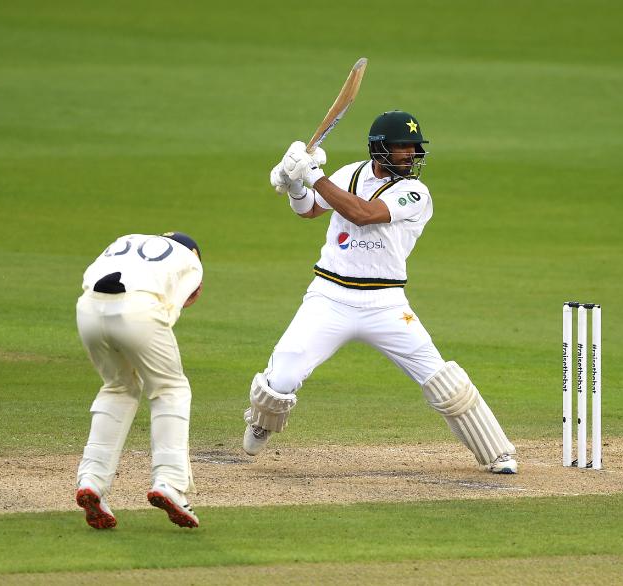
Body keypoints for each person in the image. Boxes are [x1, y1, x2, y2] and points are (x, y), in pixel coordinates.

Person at [244, 110, 518, 474]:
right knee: (282, 376)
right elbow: (310, 210)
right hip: (329, 296)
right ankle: (262, 422)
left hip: (386, 304)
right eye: (402, 148)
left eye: (414, 148)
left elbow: (363, 213)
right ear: (379, 149)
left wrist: (313, 175)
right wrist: (295, 184)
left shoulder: (415, 192)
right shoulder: (350, 173)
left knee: (440, 378)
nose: (411, 155)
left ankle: (496, 451)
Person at [74, 232, 203, 529]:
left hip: (88, 309)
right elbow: (177, 306)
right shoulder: (191, 262)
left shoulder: (126, 241)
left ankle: (91, 481)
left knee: (118, 387)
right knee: (170, 388)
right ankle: (169, 482)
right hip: (138, 310)